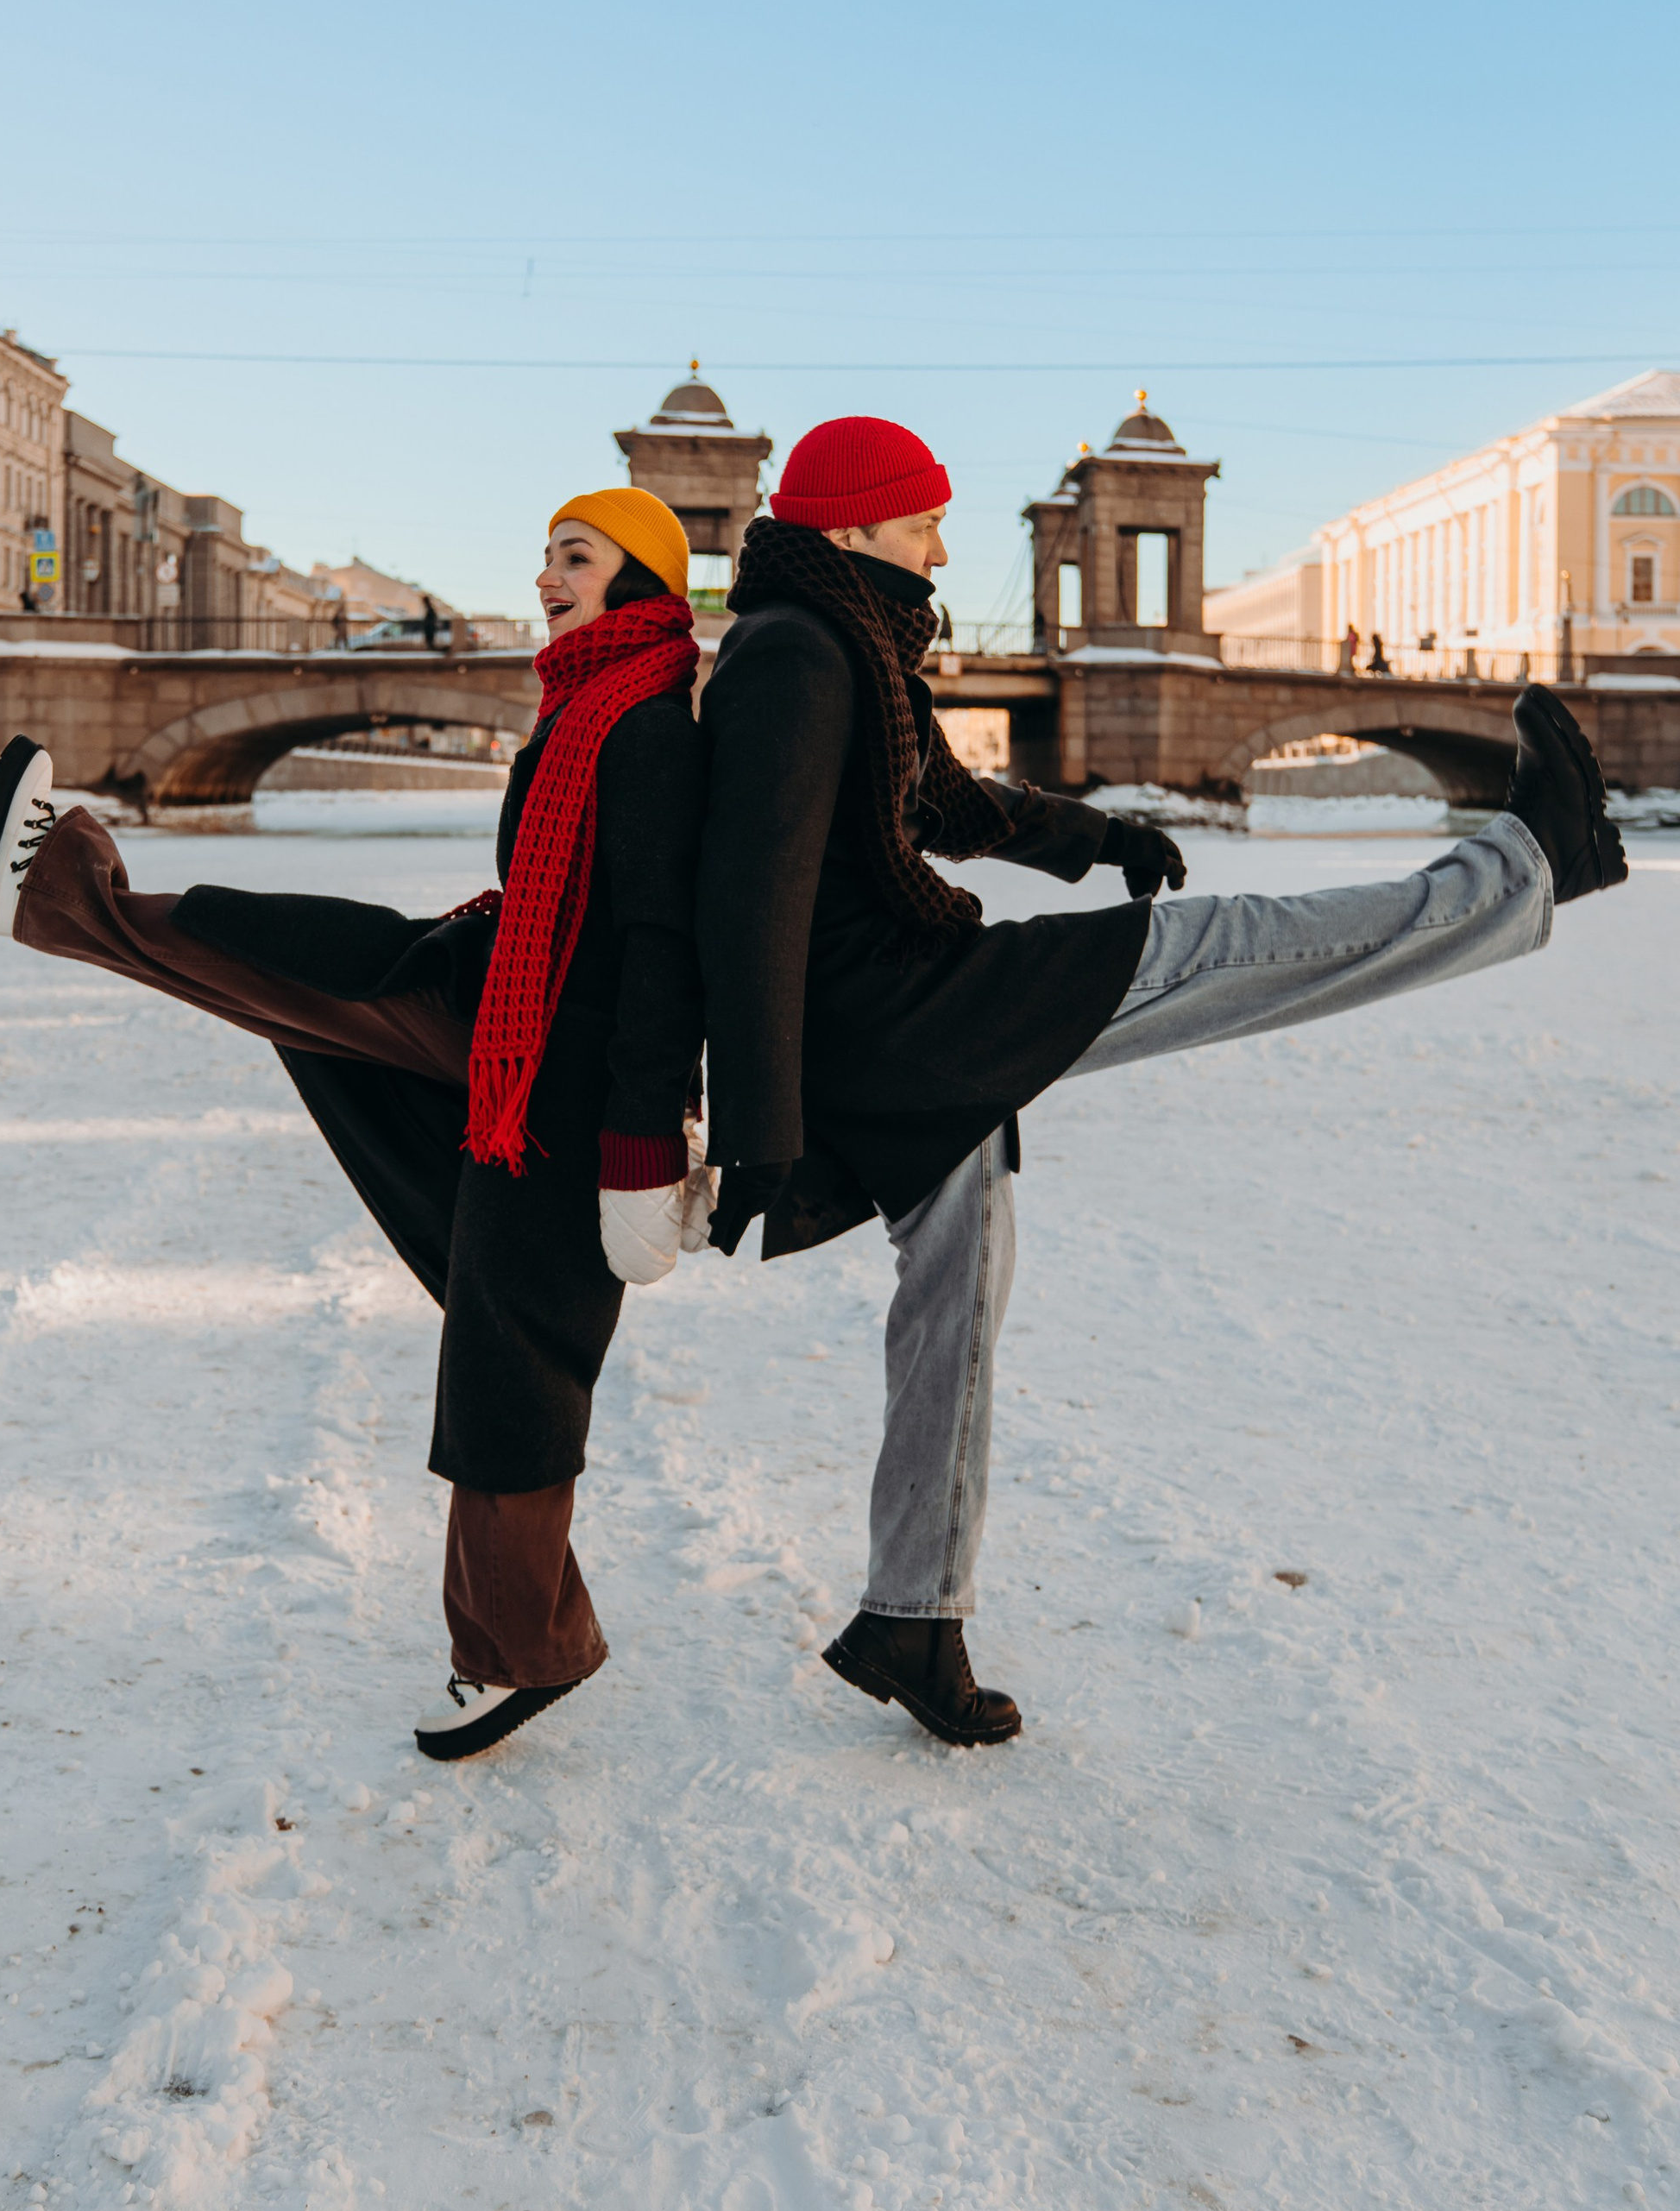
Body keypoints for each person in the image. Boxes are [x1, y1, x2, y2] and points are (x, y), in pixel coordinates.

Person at [696, 413, 1627, 1751]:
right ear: (852, 527)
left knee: (955, 1303)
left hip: (894, 1018)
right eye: (919, 522)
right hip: (906, 1018)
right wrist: (760, 1129)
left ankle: (913, 1616)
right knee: (1235, 948)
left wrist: (1100, 834)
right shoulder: (794, 656)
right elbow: (751, 901)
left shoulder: (843, 639)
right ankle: (1534, 866)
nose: (942, 546)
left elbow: (940, 807)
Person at [0, 488, 708, 1763]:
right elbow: (556, 895)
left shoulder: (651, 726)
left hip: (548, 1080)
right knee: (280, 955)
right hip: (496, 1002)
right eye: (546, 555)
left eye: (575, 556)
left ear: (643, 579)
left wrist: (641, 1141)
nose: (547, 578)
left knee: (513, 1366)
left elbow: (662, 948)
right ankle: (45, 888)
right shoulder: (589, 699)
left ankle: (519, 1651)